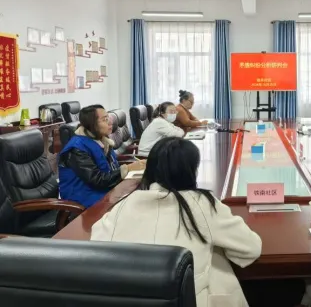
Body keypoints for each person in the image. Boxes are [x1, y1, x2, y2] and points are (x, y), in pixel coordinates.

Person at [91, 137, 262, 307]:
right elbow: (251, 248)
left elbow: (96, 247)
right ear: (191, 171)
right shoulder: (202, 204)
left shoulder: (125, 205)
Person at [58, 105, 144, 208]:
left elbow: (111, 168)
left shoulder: (102, 140)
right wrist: (128, 168)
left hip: (102, 190)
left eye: (108, 118)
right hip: (83, 198)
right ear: (92, 124)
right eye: (105, 119)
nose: (111, 122)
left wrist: (134, 167)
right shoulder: (76, 148)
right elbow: (97, 180)